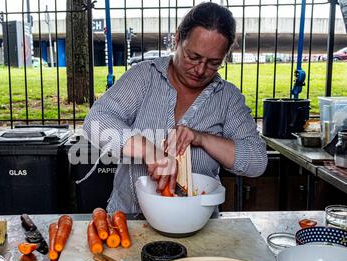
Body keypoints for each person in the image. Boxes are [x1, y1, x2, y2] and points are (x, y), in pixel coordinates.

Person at [83, 2, 267, 214]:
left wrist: (202, 139)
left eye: (213, 62)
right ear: (177, 38)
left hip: (198, 223)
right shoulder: (145, 76)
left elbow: (257, 160)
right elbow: (95, 120)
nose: (199, 70)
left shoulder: (228, 98)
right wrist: (148, 150)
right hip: (130, 221)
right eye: (193, 56)